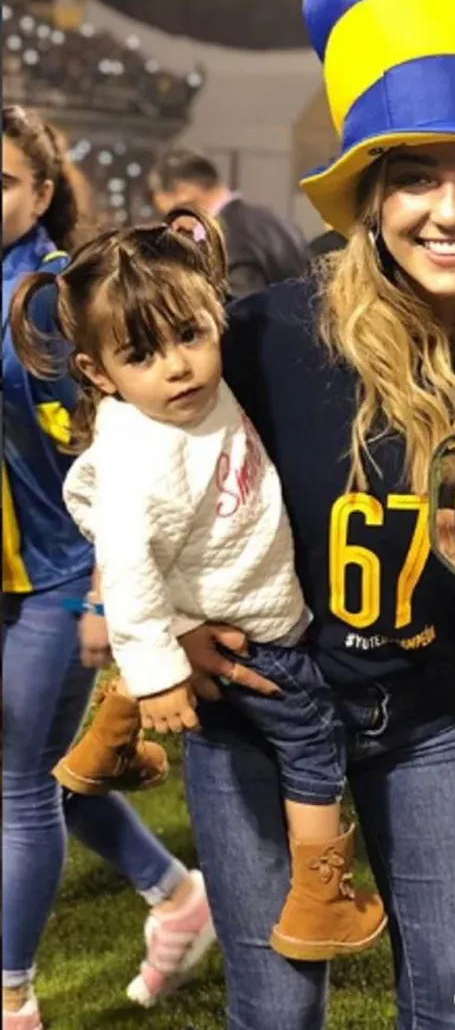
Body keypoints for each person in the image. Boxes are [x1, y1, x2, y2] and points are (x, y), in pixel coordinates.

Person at [172, 0, 455, 1029]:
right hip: (260, 723)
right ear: (366, 198)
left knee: (454, 1001)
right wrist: (159, 628)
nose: (448, 210)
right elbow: (133, 470)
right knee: (275, 1006)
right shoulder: (259, 335)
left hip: (430, 719)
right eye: (412, 177)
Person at [8, 208, 387, 964]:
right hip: (248, 634)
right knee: (314, 737)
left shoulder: (185, 401)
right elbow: (132, 570)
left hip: (225, 600)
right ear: (97, 372)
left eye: (190, 334)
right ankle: (322, 898)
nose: (177, 365)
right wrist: (156, 676)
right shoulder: (143, 455)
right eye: (142, 353)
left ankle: (108, 741)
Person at [1, 105, 214, 1030]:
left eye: (3, 180)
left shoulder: (55, 291)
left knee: (20, 789)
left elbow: (120, 434)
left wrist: (105, 593)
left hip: (61, 570)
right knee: (52, 774)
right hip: (12, 568)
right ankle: (176, 894)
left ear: (42, 194)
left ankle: (10, 997)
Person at [148, 148, 309, 296]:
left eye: (171, 214)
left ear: (183, 192)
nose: (174, 227)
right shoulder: (276, 220)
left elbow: (242, 309)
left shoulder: (223, 234)